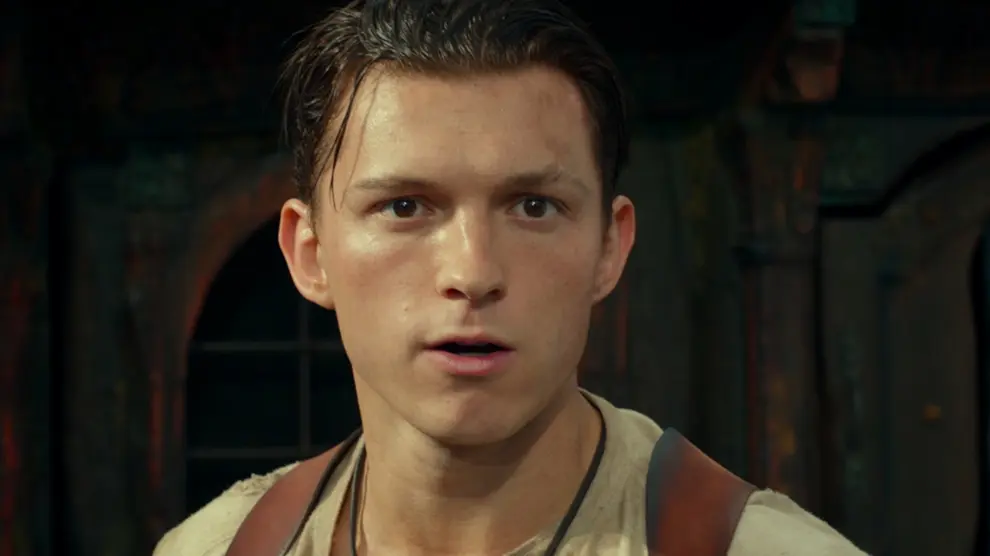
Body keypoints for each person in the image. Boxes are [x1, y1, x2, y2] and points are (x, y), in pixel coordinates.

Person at [155, 0, 867, 554]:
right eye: (404, 207)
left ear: (609, 246)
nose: (473, 273)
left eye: (533, 206)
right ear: (310, 254)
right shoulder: (217, 548)